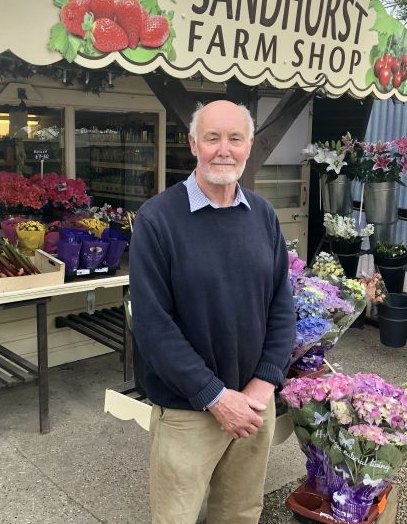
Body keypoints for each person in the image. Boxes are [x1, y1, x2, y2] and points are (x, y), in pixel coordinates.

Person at [129, 100, 295, 524]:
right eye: (212, 138)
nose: (224, 149)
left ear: (250, 145)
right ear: (193, 144)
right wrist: (215, 398)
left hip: (255, 405)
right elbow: (152, 326)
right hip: (189, 413)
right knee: (175, 518)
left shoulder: (263, 217)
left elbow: (281, 307)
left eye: (235, 138)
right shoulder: (157, 220)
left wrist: (264, 383)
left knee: (240, 513)